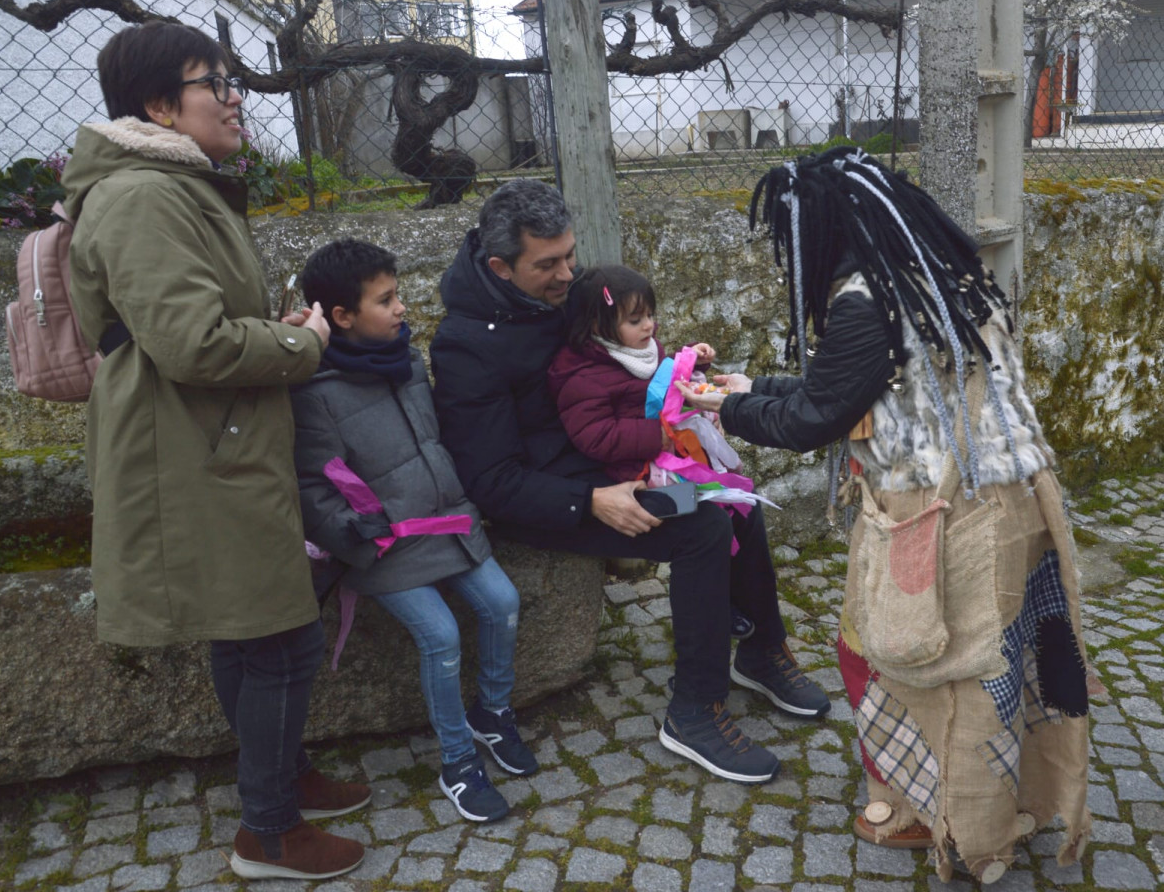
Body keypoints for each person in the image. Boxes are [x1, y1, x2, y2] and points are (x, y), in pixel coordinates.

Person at [678, 147, 1090, 884]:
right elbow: (853, 384)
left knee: (909, 663)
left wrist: (726, 407)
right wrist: (753, 384)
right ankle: (998, 805)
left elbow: (813, 417)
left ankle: (960, 829)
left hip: (938, 512)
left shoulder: (865, 301)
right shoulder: (940, 275)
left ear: (821, 234)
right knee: (994, 663)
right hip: (1008, 497)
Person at [62, 21, 368, 882]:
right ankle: (268, 832)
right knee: (276, 638)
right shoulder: (142, 197)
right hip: (189, 450)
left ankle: (281, 779)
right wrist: (301, 343)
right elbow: (193, 345)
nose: (237, 96)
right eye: (216, 81)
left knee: (251, 632)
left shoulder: (170, 185)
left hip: (210, 442)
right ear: (160, 105)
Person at [430, 179, 830, 787]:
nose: (569, 273)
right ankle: (695, 710)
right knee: (700, 524)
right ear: (500, 268)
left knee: (735, 495)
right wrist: (589, 500)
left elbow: (627, 356)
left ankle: (761, 648)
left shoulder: (563, 294)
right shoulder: (463, 348)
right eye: (549, 264)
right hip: (550, 496)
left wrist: (682, 385)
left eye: (571, 255)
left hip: (611, 461)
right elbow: (488, 480)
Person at [290, 239, 537, 824]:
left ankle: (492, 716)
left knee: (503, 601)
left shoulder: (405, 361)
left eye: (397, 294)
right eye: (387, 299)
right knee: (441, 634)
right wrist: (353, 531)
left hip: (451, 522)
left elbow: (436, 441)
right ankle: (456, 761)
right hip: (384, 546)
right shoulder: (312, 394)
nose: (402, 308)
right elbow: (312, 485)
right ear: (343, 317)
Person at [547, 263, 757, 639]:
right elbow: (594, 437)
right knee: (711, 520)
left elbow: (665, 383)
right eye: (635, 319)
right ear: (599, 327)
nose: (649, 326)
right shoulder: (582, 377)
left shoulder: (641, 350)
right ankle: (715, 612)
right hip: (633, 481)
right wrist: (656, 437)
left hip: (663, 464)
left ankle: (737, 604)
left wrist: (694, 363)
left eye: (650, 315)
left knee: (742, 506)